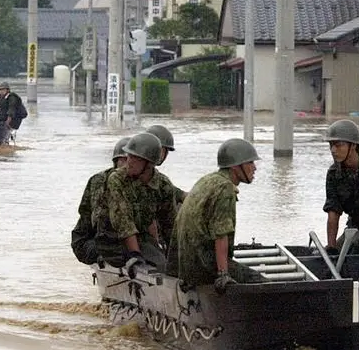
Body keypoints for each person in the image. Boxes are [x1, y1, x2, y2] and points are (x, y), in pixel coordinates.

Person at [166, 138, 265, 294]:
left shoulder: (208, 180)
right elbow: (221, 234)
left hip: (185, 264)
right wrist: (223, 274)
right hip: (203, 263)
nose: (254, 168)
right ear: (235, 166)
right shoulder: (225, 188)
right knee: (260, 282)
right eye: (250, 163)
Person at [93, 132, 167, 271]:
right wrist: (135, 255)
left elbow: (169, 222)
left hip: (142, 238)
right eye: (128, 156)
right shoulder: (116, 179)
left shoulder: (163, 185)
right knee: (152, 264)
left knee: (166, 264)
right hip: (111, 239)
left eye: (134, 158)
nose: (128, 161)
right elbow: (123, 221)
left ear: (149, 163)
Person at [322, 119, 359, 255]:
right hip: (356, 226)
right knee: (336, 253)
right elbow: (333, 211)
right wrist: (331, 247)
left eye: (338, 145)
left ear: (353, 146)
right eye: (331, 145)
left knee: (356, 243)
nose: (333, 150)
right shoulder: (334, 173)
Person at [71, 137, 131, 265]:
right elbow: (93, 219)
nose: (126, 165)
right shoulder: (99, 181)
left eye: (130, 161)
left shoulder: (144, 181)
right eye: (123, 160)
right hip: (97, 241)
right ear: (116, 162)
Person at [145, 124, 186, 249]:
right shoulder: (130, 176)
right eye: (164, 150)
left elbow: (177, 194)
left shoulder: (159, 180)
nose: (164, 155)